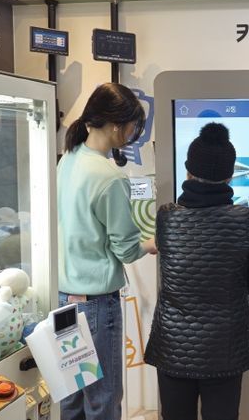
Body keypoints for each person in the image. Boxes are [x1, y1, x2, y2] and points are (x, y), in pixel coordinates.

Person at [145, 122, 249, 420]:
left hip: (173, 345)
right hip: (224, 347)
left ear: (188, 172)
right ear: (229, 176)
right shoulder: (243, 219)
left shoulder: (167, 217)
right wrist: (234, 288)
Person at [57, 82, 157, 420]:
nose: (133, 134)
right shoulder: (109, 177)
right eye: (133, 126)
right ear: (116, 126)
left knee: (72, 398)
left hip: (65, 303)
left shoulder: (69, 159)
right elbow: (126, 250)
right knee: (103, 399)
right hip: (97, 308)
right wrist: (153, 243)